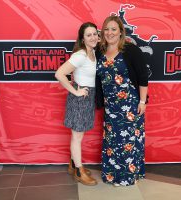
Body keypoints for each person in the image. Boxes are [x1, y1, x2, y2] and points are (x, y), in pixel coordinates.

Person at [95, 15, 149, 186]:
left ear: (120, 32)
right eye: (106, 29)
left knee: (128, 141)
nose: (109, 33)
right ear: (102, 32)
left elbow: (142, 77)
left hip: (130, 105)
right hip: (111, 107)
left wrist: (142, 102)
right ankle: (112, 175)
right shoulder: (99, 51)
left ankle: (127, 176)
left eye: (113, 29)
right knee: (112, 141)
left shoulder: (131, 50)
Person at [55, 22, 99, 186]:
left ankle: (73, 165)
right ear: (82, 38)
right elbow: (59, 74)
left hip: (89, 97)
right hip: (80, 99)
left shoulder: (93, 52)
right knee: (77, 135)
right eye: (89, 35)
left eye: (95, 34)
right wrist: (75, 91)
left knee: (79, 134)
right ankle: (79, 172)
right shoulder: (80, 55)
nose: (93, 37)